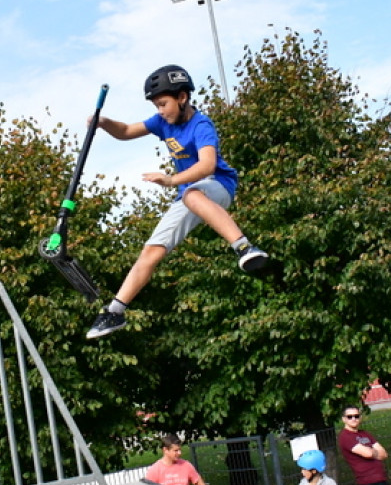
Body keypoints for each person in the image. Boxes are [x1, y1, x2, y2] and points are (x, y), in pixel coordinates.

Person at [85, 65, 268, 339]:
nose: (160, 111)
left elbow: (207, 165)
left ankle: (244, 248)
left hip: (217, 186)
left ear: (182, 98)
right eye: (156, 106)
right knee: (151, 251)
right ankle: (114, 312)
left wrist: (171, 180)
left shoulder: (201, 125)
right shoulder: (162, 123)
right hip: (189, 195)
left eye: (163, 104)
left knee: (192, 193)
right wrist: (103, 122)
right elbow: (124, 131)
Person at [144, 433, 208, 485]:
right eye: (176, 450)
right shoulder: (155, 470)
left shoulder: (186, 465)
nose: (179, 453)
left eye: (180, 450)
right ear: (165, 450)